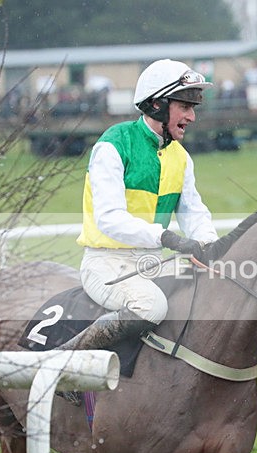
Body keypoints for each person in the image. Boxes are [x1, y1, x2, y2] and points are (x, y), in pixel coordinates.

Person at [55, 59, 219, 385]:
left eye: (193, 108)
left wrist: (210, 244)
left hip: (151, 263)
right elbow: (109, 218)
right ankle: (65, 363)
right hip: (106, 264)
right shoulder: (114, 144)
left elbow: (193, 212)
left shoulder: (180, 156)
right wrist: (167, 238)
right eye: (185, 106)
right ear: (157, 104)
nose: (192, 117)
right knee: (151, 307)